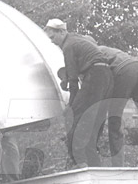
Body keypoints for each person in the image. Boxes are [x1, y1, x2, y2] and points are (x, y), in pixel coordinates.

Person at [43, 18, 113, 168]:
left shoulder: (68, 46)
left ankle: (79, 161)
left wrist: (71, 104)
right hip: (107, 75)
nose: (52, 41)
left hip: (95, 75)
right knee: (94, 120)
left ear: (61, 32)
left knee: (76, 116)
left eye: (53, 37)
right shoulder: (77, 39)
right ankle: (92, 160)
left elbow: (73, 81)